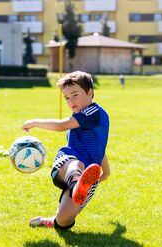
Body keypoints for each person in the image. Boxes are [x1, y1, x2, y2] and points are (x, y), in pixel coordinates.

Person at [22, 71, 111, 230]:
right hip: (68, 163)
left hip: (87, 177)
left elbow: (99, 147)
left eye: (75, 95)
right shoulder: (81, 118)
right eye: (67, 98)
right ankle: (77, 182)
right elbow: (66, 128)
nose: (71, 101)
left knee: (63, 221)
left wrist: (106, 171)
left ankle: (50, 220)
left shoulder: (93, 112)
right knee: (76, 165)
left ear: (90, 92)